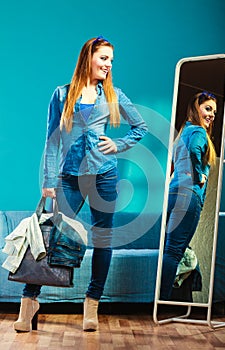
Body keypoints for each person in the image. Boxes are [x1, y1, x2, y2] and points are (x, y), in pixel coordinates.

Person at [14, 36, 148, 332]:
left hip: (105, 176)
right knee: (52, 239)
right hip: (68, 178)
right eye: (103, 58)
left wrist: (120, 144)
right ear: (88, 57)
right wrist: (48, 180)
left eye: (111, 60)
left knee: (103, 240)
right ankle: (30, 301)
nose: (108, 65)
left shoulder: (113, 96)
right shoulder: (61, 95)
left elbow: (141, 127)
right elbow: (51, 141)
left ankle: (92, 302)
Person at [160, 91, 217, 300]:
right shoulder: (199, 133)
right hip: (189, 195)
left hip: (174, 192)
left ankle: (162, 300)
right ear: (196, 108)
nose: (211, 115)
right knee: (175, 252)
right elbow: (194, 151)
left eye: (214, 112)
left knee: (170, 250)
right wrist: (199, 174)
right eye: (208, 109)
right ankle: (164, 300)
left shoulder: (183, 133)